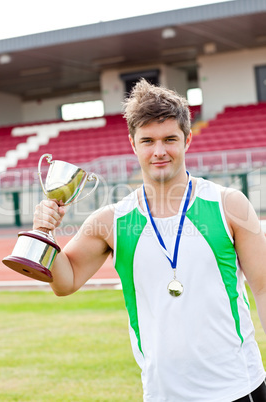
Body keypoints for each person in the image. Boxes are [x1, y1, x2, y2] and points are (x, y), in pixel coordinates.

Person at [33, 79, 266, 401]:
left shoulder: (229, 204)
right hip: (162, 391)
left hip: (238, 385)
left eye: (170, 139)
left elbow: (263, 286)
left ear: (187, 140)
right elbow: (65, 282)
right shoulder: (110, 220)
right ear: (133, 144)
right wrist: (45, 233)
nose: (159, 151)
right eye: (148, 141)